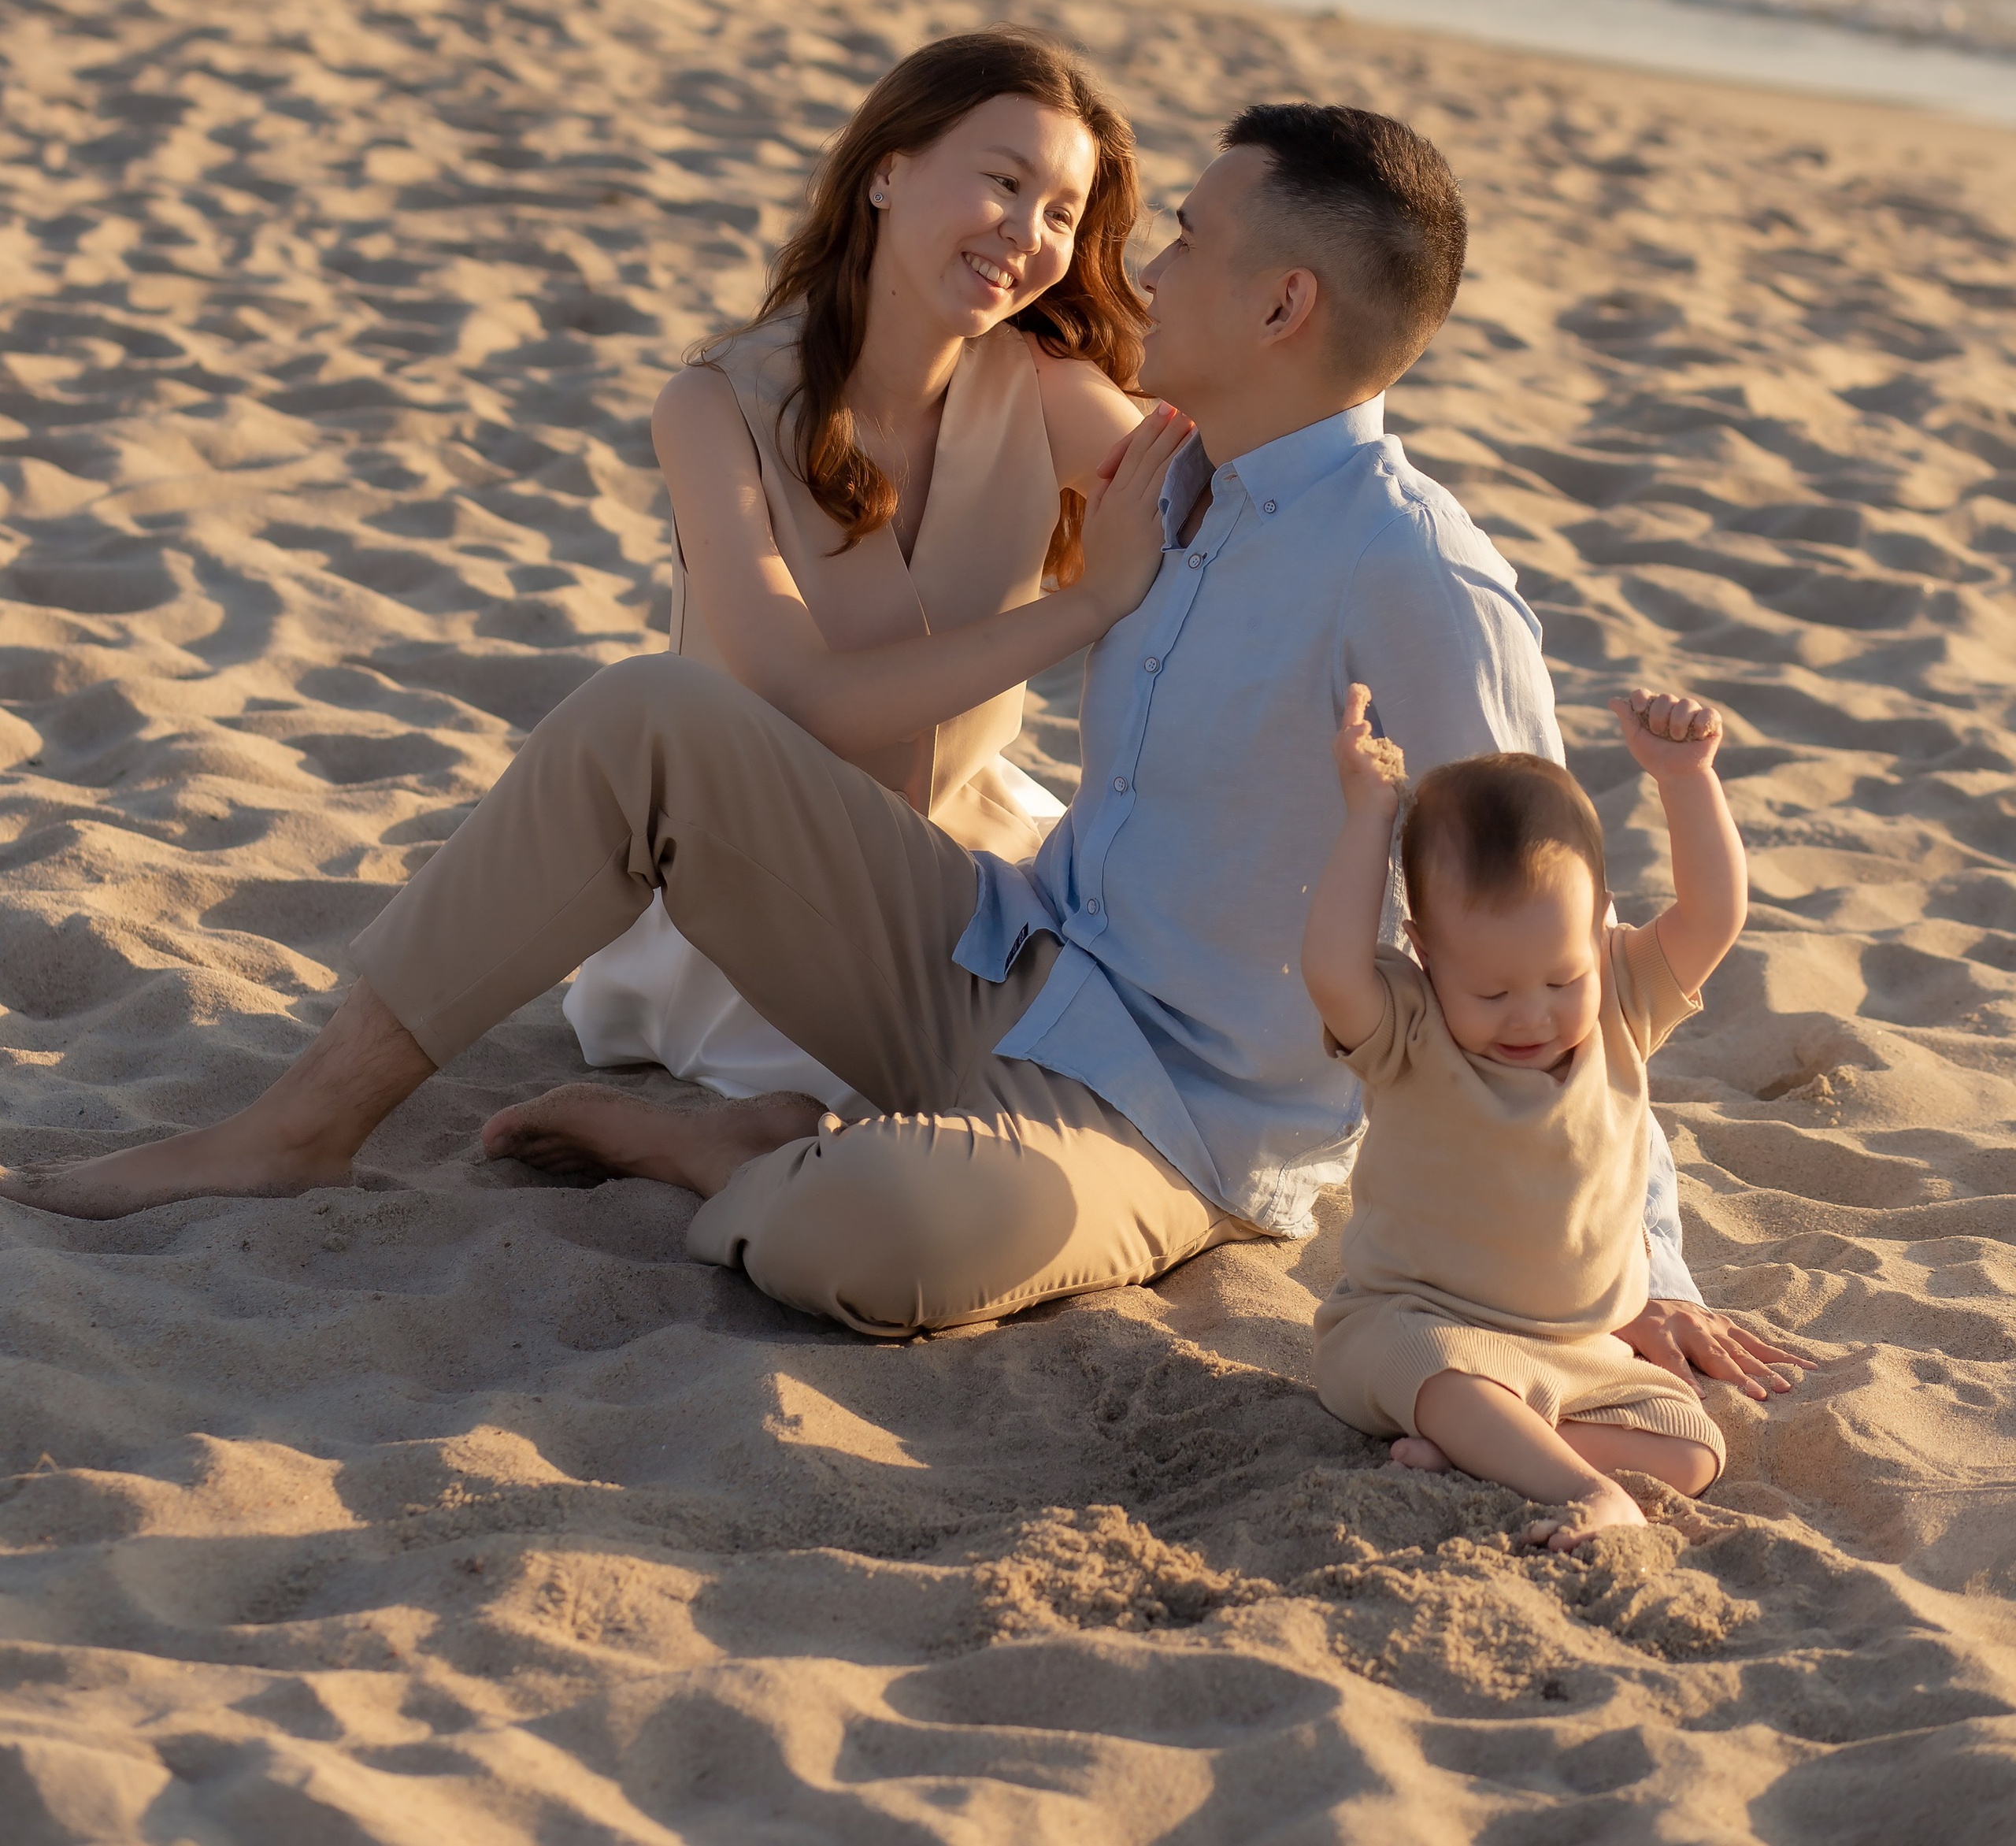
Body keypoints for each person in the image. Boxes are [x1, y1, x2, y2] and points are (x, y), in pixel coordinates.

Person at [4, 95, 1801, 1403]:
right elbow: (916, 415)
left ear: (1282, 309)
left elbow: (1563, 953)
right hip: (1001, 954)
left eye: (1178, 234)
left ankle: (730, 1147)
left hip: (1171, 1123)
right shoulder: (1171, 465)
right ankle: (298, 1126)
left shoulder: (1416, 575)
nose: (1136, 263)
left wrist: (1639, 1267)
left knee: (866, 1234)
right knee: (650, 713)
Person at [561, 25, 1163, 1109]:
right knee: (985, 1098)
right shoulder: (715, 407)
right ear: (889, 170)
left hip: (975, 868)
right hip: (768, 896)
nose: (1028, 234)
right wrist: (1094, 604)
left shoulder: (1039, 381)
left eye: (1063, 214)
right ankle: (700, 1137)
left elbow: (1223, 509)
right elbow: (807, 700)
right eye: (1003, 180)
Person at [1304, 684, 1748, 1548]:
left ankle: (1495, 1453)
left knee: (1694, 1447)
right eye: (1493, 990)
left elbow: (1713, 915)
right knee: (1433, 1371)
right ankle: (1582, 1487)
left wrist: (1685, 779)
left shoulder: (1622, 996)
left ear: (1598, 936)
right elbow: (1330, 969)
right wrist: (1367, 815)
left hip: (1584, 1352)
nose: (1532, 1016)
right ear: (1424, 953)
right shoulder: (1409, 1025)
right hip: (1419, 1324)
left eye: (1560, 979)